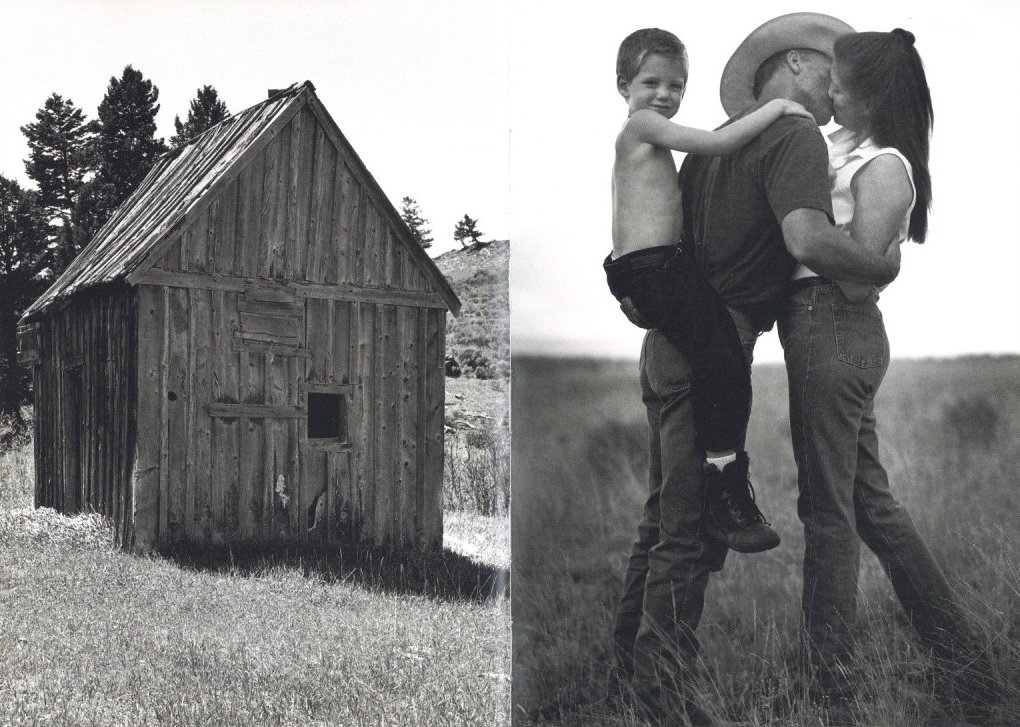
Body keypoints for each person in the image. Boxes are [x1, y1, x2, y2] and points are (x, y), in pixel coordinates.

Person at [610, 13, 903, 725]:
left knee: (662, 516)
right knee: (690, 528)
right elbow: (806, 236)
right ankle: (661, 698)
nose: (837, 96)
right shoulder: (794, 132)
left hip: (668, 344)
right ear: (797, 67)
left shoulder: (710, 150)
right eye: (831, 76)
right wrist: (880, 265)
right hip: (715, 344)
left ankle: (625, 673)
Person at [775, 29, 997, 723]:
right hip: (820, 327)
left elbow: (856, 262)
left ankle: (830, 683)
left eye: (838, 84)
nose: (828, 91)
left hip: (832, 326)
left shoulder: (886, 165)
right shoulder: (842, 145)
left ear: (869, 96)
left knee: (829, 510)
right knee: (870, 505)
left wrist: (816, 242)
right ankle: (961, 648)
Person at [604, 27, 816, 554]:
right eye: (651, 82)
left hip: (654, 268)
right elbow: (721, 142)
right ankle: (724, 480)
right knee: (724, 366)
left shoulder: (650, 137)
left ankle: (721, 472)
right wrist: (781, 108)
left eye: (676, 86)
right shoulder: (643, 128)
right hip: (654, 270)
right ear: (622, 85)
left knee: (719, 361)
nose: (664, 95)